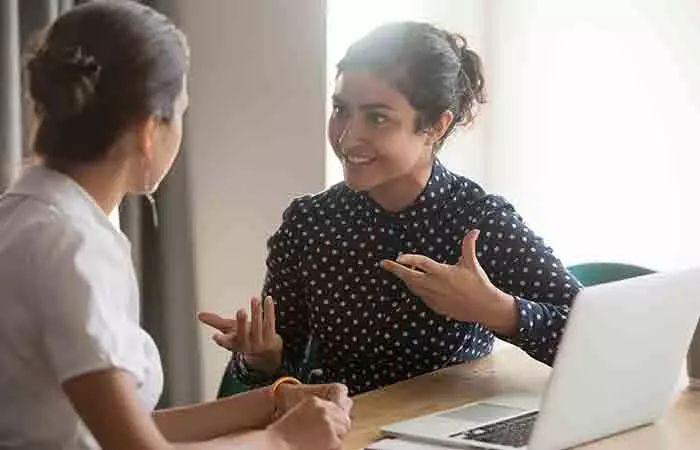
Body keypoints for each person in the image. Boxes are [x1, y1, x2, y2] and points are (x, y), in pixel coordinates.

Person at [0, 1, 351, 449]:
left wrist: (273, 401)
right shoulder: (73, 247)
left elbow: (116, 430)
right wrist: (282, 441)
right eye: (181, 111)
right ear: (150, 130)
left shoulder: (24, 215)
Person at [200, 22, 582, 396]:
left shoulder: (481, 222)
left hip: (448, 435)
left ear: (434, 126)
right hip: (346, 431)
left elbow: (591, 340)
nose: (348, 137)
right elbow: (284, 378)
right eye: (340, 110)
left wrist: (496, 310)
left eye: (377, 117)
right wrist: (261, 359)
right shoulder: (309, 223)